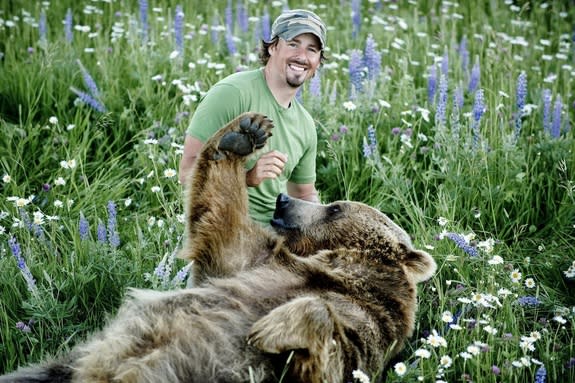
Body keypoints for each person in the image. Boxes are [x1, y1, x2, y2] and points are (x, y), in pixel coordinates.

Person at [179, 9, 327, 226]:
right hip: (224, 232)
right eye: (293, 44)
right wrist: (246, 178)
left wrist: (326, 222)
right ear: (273, 47)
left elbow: (303, 196)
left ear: (318, 62)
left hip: (275, 241)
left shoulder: (305, 125)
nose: (302, 56)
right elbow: (186, 173)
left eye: (312, 50)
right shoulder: (233, 93)